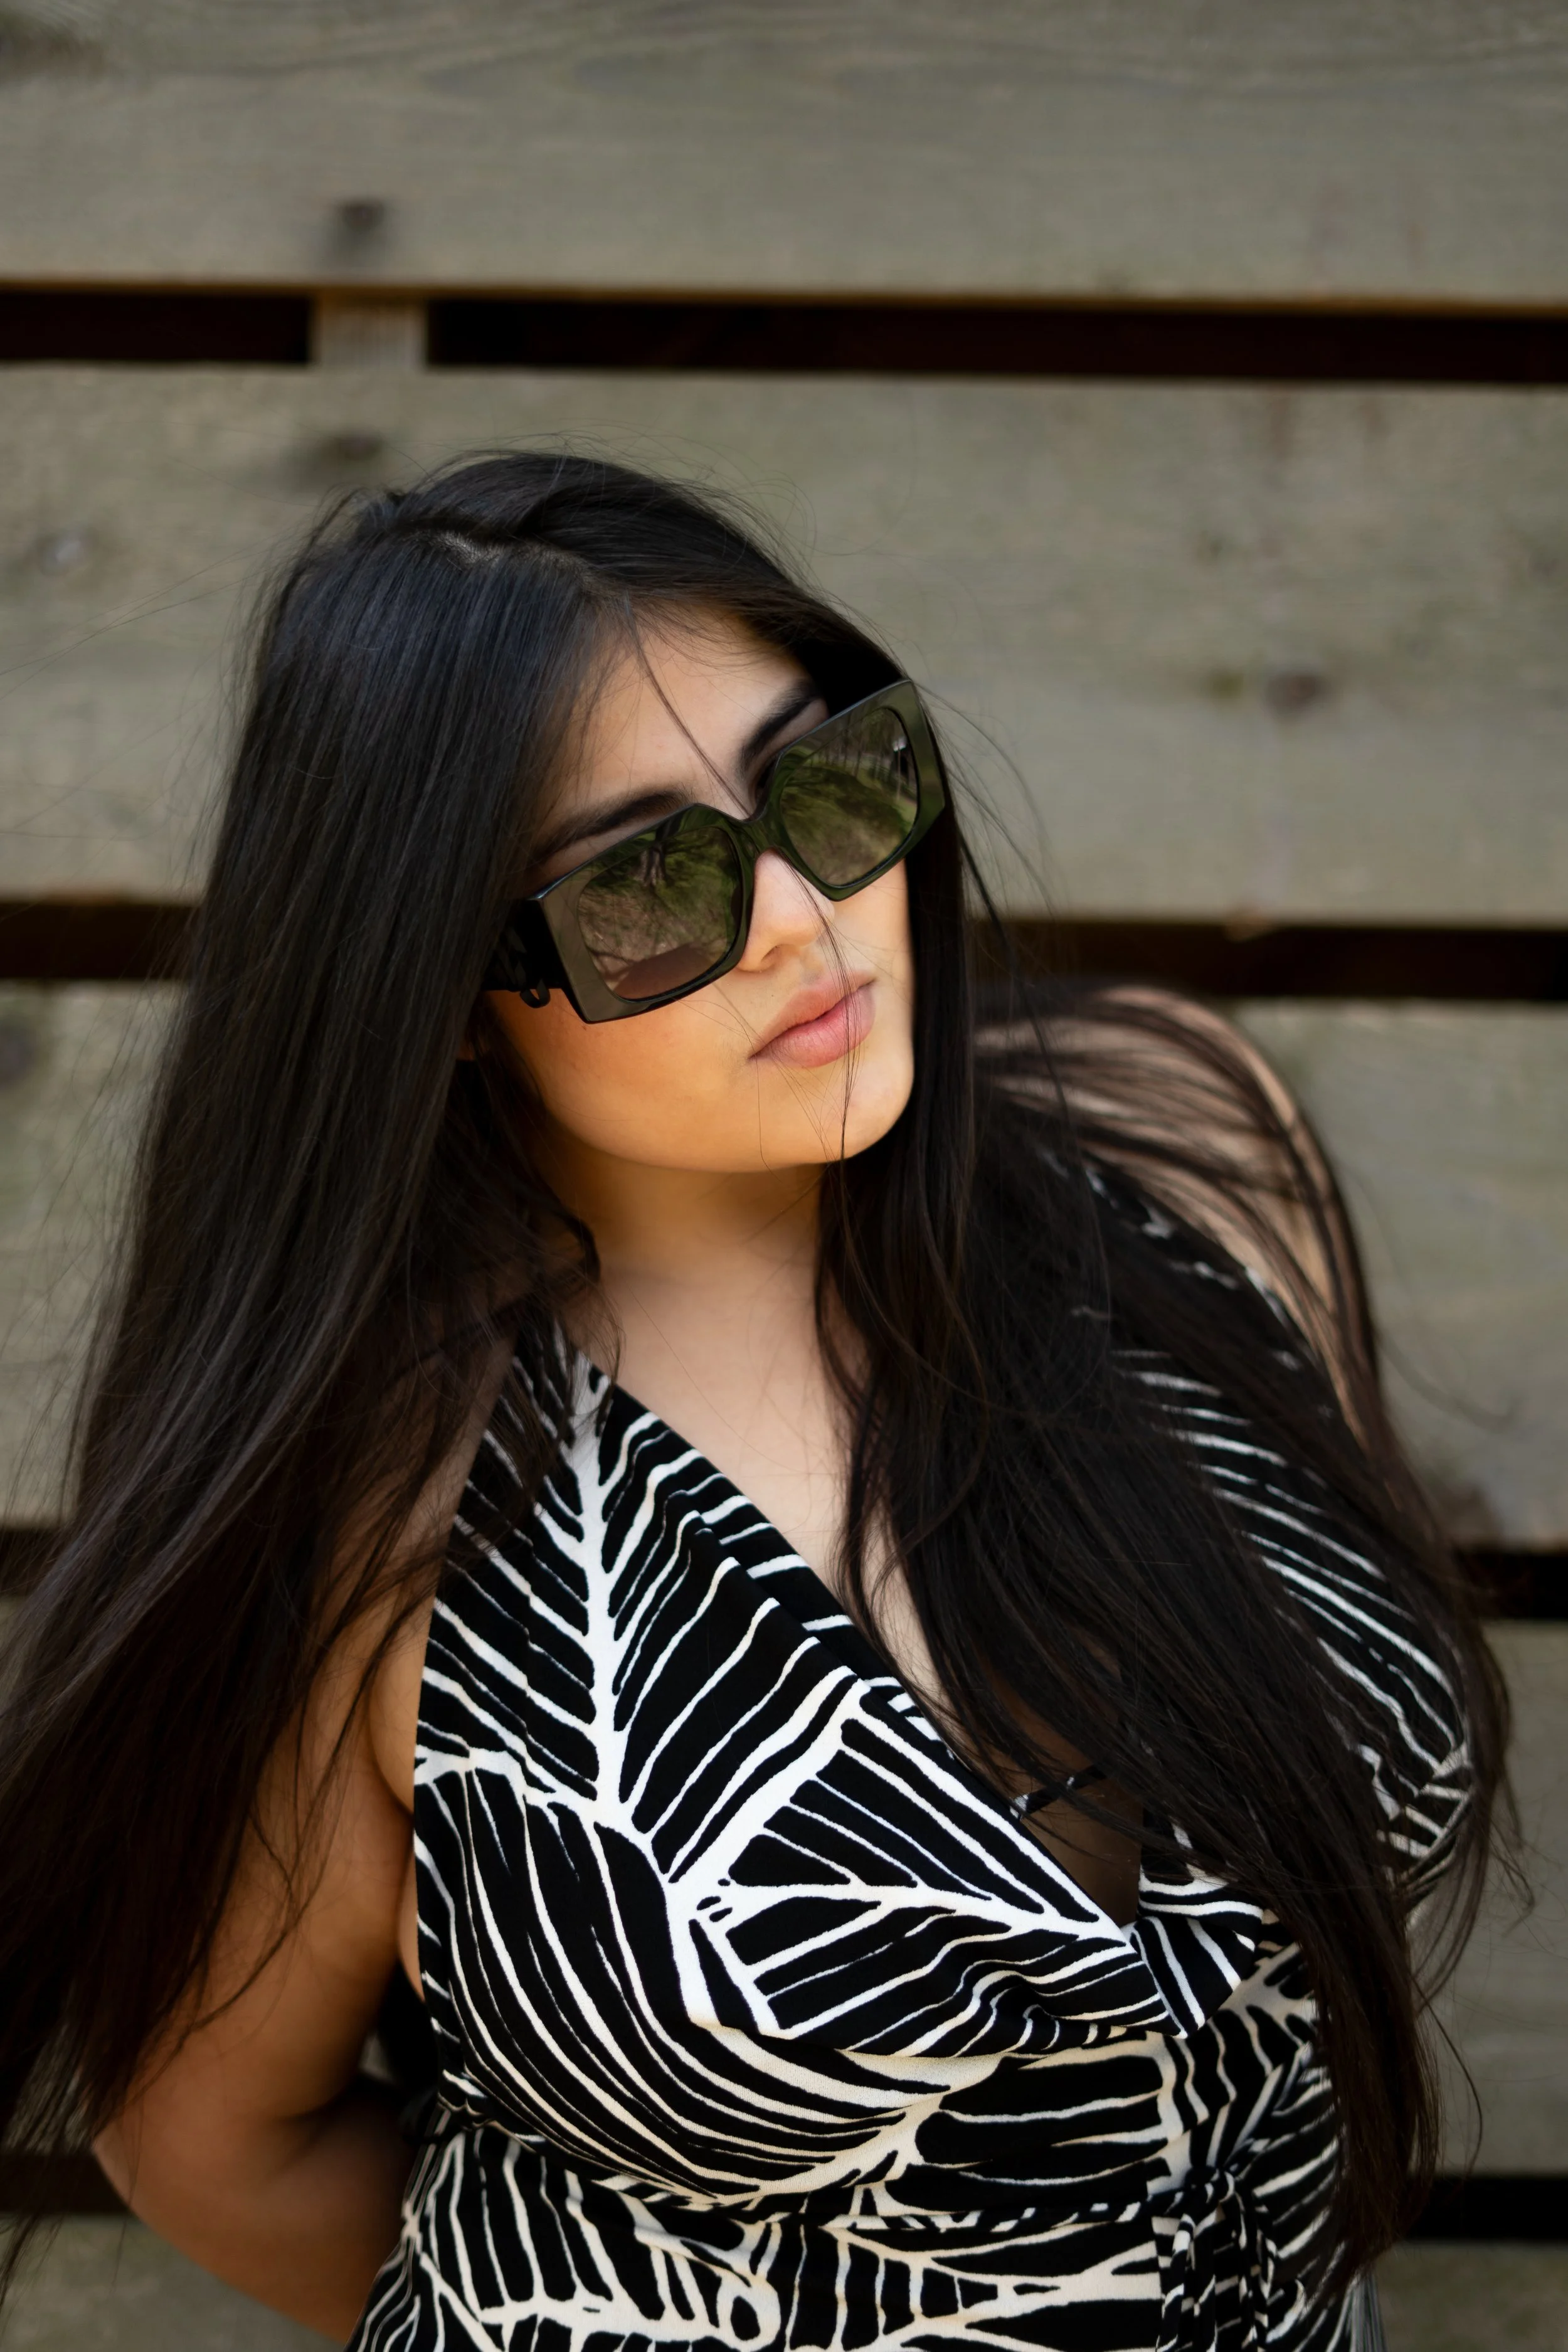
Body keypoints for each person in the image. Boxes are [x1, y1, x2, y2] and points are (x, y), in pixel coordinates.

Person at [0, 454, 1506, 2351]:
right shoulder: (400, 1515)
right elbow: (208, 2135)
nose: (804, 913)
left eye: (830, 779)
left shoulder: (1191, 1149)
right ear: (453, 988)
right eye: (646, 884)